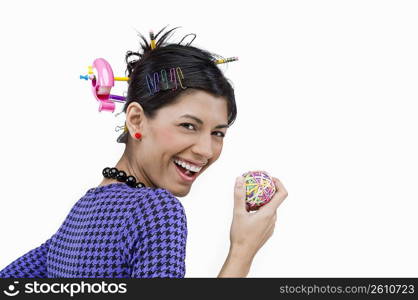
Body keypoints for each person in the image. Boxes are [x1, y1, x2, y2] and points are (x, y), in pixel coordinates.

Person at [0, 26, 288, 278]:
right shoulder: (156, 211)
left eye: (218, 133)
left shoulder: (79, 216)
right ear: (136, 119)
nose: (206, 150)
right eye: (188, 125)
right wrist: (242, 251)